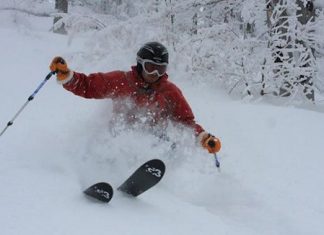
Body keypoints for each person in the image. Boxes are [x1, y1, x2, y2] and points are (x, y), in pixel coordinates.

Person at [49, 41, 221, 154]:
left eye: (160, 69)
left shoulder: (170, 92)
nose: (154, 74)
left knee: (169, 145)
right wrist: (68, 77)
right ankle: (105, 170)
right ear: (140, 64)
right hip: (119, 137)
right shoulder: (121, 81)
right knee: (112, 144)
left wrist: (204, 137)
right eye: (150, 67)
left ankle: (155, 173)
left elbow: (185, 122)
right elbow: (88, 86)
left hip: (155, 141)